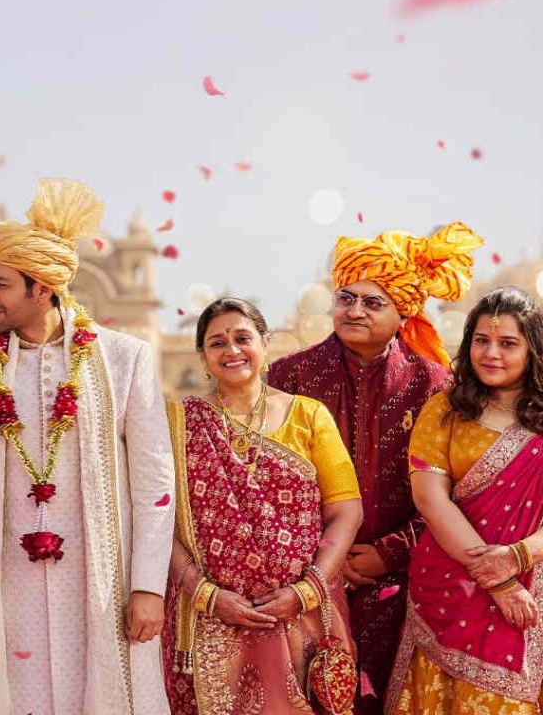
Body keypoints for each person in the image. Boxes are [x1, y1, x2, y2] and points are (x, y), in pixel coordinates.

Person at [0, 178, 176, 714]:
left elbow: (154, 484)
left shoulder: (124, 360)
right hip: (7, 584)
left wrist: (148, 586)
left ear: (42, 288)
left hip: (102, 584)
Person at [268, 221, 482, 712]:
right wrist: (330, 557)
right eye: (346, 298)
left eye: (372, 301)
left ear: (403, 312)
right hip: (306, 577)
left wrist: (389, 553)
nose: (355, 310)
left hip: (404, 583)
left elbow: (455, 492)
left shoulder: (435, 386)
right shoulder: (290, 375)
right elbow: (271, 482)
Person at [164, 298, 363, 714]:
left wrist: (306, 590)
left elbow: (346, 511)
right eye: (217, 343)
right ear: (202, 355)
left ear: (265, 344)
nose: (232, 351)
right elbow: (160, 519)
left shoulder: (309, 416)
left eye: (242, 338)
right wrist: (205, 594)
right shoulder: (180, 423)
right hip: (211, 616)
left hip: (301, 611)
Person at [387, 287, 543, 714]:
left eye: (508, 343)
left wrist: (519, 555)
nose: (491, 353)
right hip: (453, 588)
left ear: (533, 350)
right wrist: (497, 579)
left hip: (535, 588)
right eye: (481, 340)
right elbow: (431, 500)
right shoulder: (444, 410)